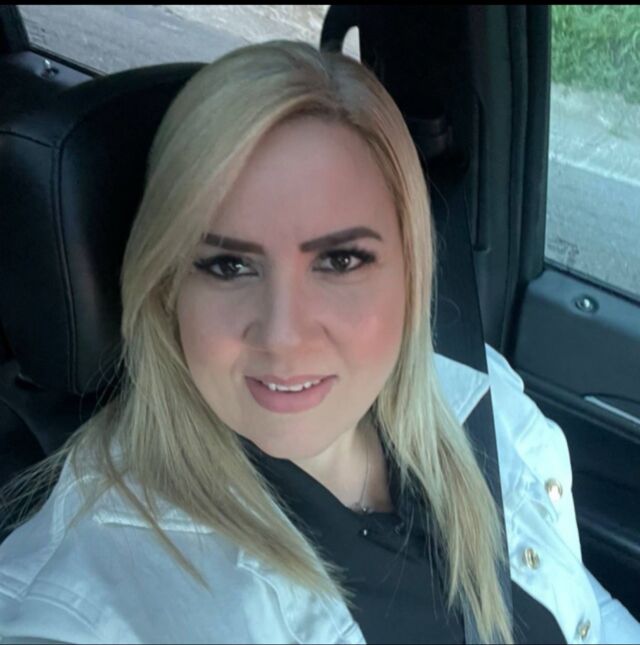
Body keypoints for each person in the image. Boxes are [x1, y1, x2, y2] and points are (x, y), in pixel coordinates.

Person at [0, 39, 638, 645]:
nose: (283, 336)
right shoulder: (95, 597)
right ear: (167, 288)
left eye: (340, 261)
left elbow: (589, 615)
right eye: (228, 266)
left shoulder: (482, 396)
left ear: (411, 270)